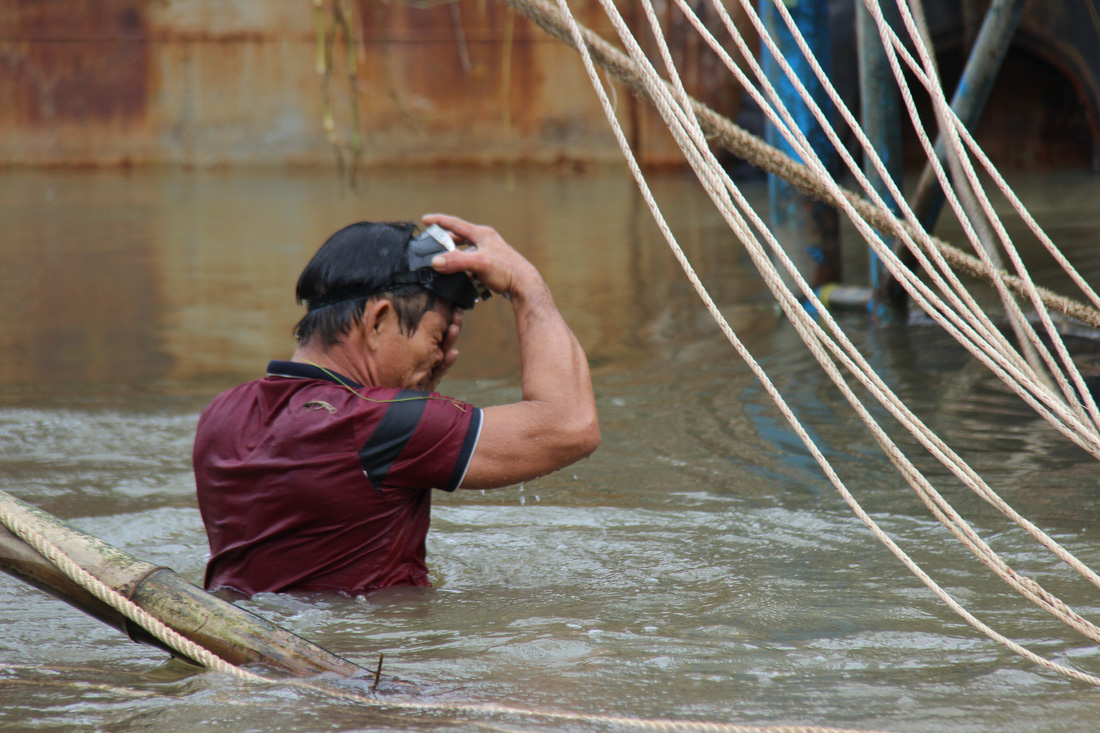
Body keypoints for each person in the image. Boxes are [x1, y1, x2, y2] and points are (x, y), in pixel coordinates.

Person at [193, 214, 599, 596]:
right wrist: (526, 285)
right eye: (437, 337)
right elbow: (570, 425)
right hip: (362, 665)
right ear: (378, 321)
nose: (440, 357)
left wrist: (414, 394)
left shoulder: (222, 413)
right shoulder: (381, 422)